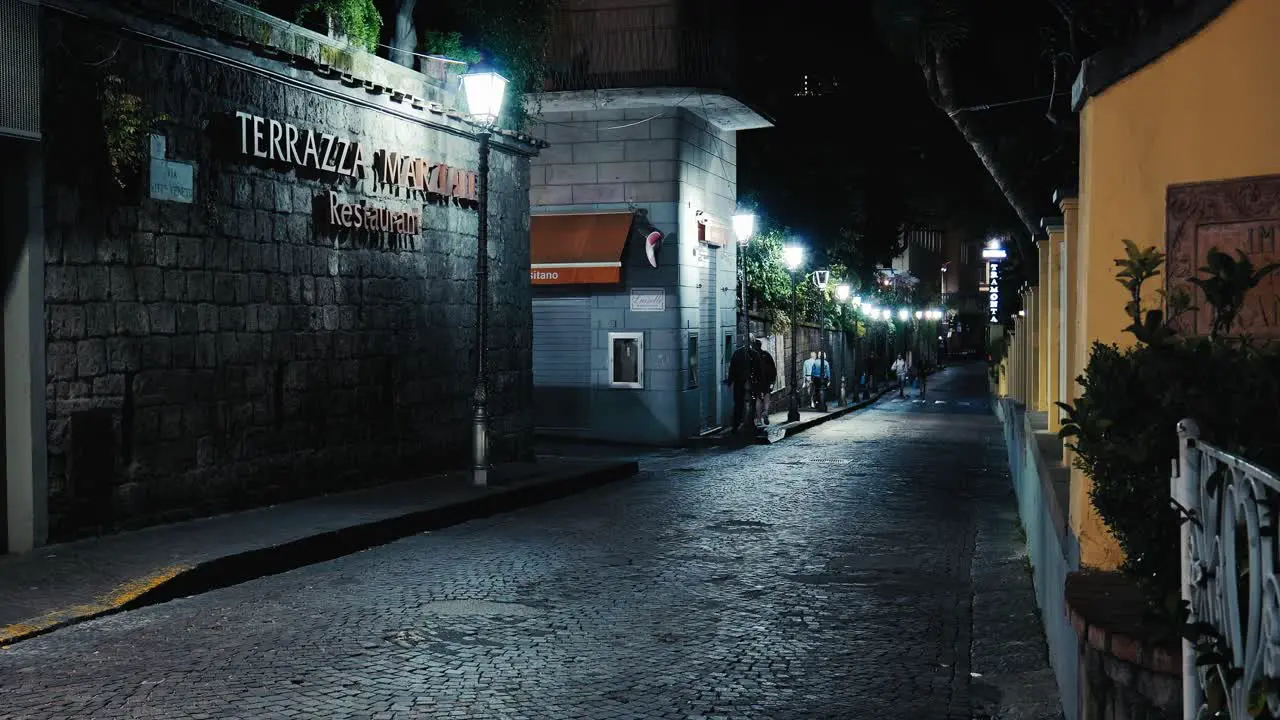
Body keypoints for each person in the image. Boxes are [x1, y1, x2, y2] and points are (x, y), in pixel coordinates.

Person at [725, 338, 755, 433]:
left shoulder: (737, 353)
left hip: (739, 382)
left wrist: (730, 381)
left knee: (738, 404)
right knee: (748, 403)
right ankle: (746, 422)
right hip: (749, 383)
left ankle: (737, 424)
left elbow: (732, 368)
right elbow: (758, 369)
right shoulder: (753, 353)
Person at [750, 338, 777, 426]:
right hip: (768, 379)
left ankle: (758, 419)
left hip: (757, 380)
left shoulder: (753, 355)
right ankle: (765, 412)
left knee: (758, 398)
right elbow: (773, 368)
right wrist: (773, 380)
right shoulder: (766, 354)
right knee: (767, 395)